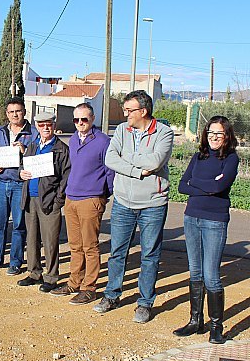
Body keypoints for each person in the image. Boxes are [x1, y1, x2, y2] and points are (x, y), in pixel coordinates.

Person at [93, 90, 174, 324]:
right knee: (117, 252)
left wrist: (126, 157)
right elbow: (110, 159)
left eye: (129, 110)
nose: (125, 114)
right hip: (123, 202)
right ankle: (112, 295)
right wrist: (137, 171)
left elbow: (155, 161)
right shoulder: (121, 130)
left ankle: (145, 303)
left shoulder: (164, 133)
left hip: (152, 204)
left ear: (143, 111)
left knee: (150, 255)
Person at [174, 116, 238, 344]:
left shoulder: (231, 159)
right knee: (195, 272)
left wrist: (196, 183)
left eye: (219, 133)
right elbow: (182, 186)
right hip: (192, 218)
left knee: (211, 276)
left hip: (214, 221)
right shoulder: (198, 157)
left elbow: (220, 186)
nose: (214, 137)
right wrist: (207, 185)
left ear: (227, 136)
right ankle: (195, 321)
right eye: (211, 132)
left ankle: (216, 326)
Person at [50, 103, 114, 304]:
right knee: (75, 245)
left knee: (90, 246)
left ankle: (89, 288)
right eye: (76, 119)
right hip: (71, 198)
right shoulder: (73, 139)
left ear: (92, 119)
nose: (80, 123)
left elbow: (110, 172)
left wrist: (102, 195)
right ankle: (74, 282)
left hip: (91, 199)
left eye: (84, 119)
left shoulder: (103, 142)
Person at [0, 97, 38, 275]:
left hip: (20, 184)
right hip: (1, 182)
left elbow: (37, 159)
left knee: (19, 225)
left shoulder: (33, 132)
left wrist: (24, 151)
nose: (15, 115)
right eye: (11, 112)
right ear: (7, 114)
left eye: (18, 111)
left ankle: (15, 262)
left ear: (24, 112)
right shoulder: (2, 130)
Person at [17, 112, 70, 292]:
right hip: (30, 199)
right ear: (37, 127)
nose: (45, 128)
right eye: (41, 125)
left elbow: (66, 177)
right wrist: (21, 173)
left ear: (54, 125)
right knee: (32, 239)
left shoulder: (61, 149)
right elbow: (23, 166)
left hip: (49, 200)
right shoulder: (32, 146)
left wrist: (58, 200)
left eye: (49, 124)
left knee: (50, 241)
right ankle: (34, 273)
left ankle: (51, 277)